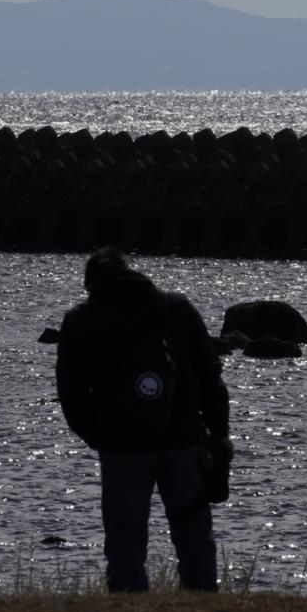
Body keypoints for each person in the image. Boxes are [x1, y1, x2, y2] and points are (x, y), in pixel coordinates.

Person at [55, 247, 233, 592]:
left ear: (90, 284)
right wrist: (220, 431)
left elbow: (72, 394)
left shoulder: (81, 319)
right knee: (194, 537)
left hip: (120, 449)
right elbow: (210, 375)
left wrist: (98, 437)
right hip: (182, 440)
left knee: (125, 544)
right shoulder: (175, 308)